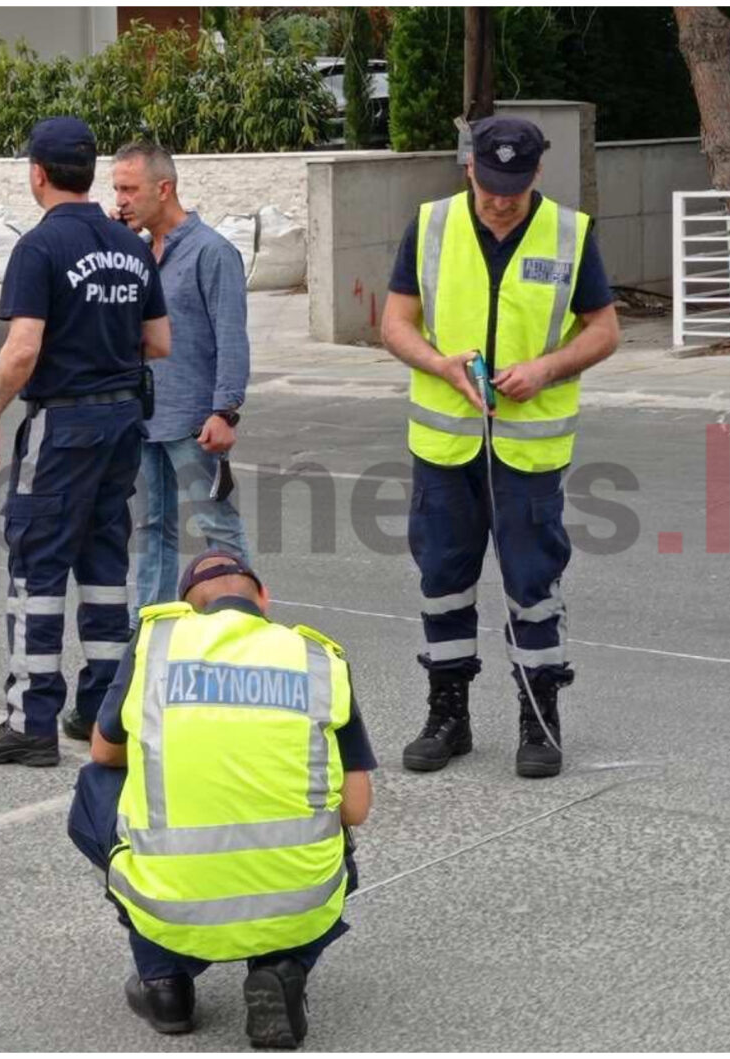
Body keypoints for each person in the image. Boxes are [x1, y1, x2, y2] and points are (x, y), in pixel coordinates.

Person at [380, 116, 621, 779]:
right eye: (489, 187)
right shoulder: (430, 226)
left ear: (537, 172)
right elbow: (395, 323)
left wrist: (546, 368)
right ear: (469, 168)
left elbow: (604, 330)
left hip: (528, 453)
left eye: (513, 189)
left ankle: (539, 716)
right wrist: (439, 364)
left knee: (532, 584)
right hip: (444, 446)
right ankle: (447, 714)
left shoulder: (570, 234)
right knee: (442, 582)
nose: (500, 201)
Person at [67, 550, 374, 1049]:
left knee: (96, 785)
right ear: (264, 599)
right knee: (329, 827)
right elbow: (356, 808)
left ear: (188, 609)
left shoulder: (159, 641)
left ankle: (163, 980)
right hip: (301, 899)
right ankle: (283, 964)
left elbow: (104, 751)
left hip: (171, 902)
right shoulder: (316, 658)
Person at [0, 116, 173, 767]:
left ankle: (30, 721)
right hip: (122, 423)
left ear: (38, 173)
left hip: (63, 426)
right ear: (89, 173)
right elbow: (159, 342)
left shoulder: (39, 248)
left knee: (37, 565)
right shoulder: (130, 245)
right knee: (105, 566)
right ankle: (105, 714)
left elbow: (22, 348)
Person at [106, 141, 252, 625]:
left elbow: (231, 337)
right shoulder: (136, 252)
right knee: (151, 527)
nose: (121, 200)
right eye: (117, 189)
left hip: (194, 420)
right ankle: (150, 625)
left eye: (130, 189)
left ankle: (239, 622)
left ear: (164, 188)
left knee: (218, 528)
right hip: (143, 416)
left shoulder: (212, 252)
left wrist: (225, 411)